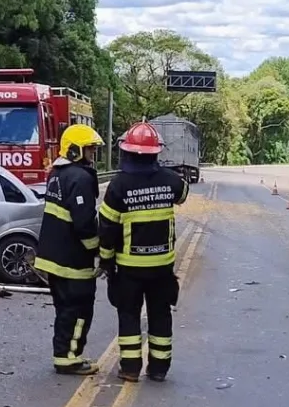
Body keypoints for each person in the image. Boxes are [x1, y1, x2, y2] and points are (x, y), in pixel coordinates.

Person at [98, 121, 188, 383]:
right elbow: (183, 195)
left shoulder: (117, 186)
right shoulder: (170, 181)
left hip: (129, 268)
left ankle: (129, 368)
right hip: (162, 267)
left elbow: (107, 228)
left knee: (129, 316)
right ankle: (159, 369)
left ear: (127, 152)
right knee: (160, 315)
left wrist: (105, 261)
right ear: (155, 153)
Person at [34, 123, 105, 376]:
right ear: (75, 150)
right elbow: (84, 223)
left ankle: (63, 354)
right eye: (89, 150)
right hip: (72, 261)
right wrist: (98, 251)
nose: (92, 155)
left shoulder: (57, 173)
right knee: (79, 310)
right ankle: (70, 358)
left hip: (52, 259)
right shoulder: (80, 177)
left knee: (64, 310)